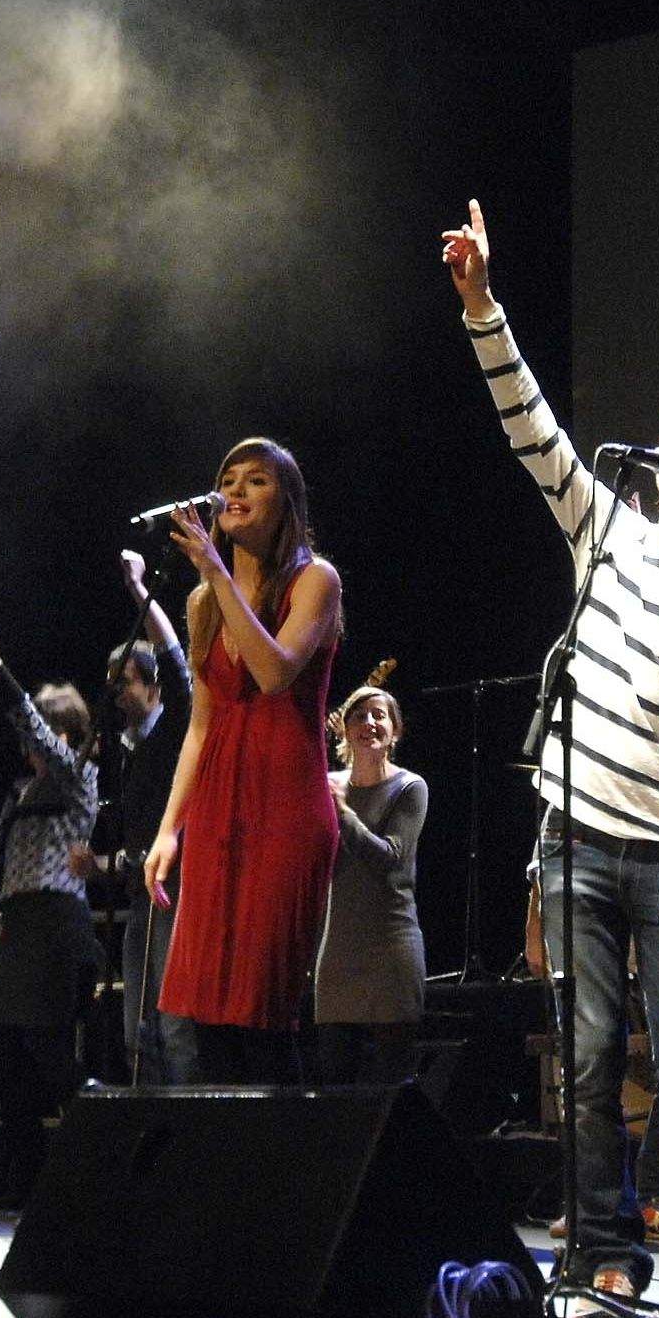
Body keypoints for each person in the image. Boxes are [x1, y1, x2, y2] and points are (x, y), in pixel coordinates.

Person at [443, 198, 659, 1318]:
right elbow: (528, 425)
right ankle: (600, 1253)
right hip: (573, 835)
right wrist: (484, 305)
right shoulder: (609, 530)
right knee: (586, 1061)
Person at [144, 440, 343, 1084]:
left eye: (255, 481)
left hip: (285, 807)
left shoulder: (315, 581)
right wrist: (169, 828)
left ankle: (283, 1171)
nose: (234, 491)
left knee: (263, 1010)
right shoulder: (206, 603)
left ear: (284, 501)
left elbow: (273, 672)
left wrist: (214, 571)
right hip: (219, 810)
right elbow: (201, 726)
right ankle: (223, 1175)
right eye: (227, 479)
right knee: (208, 1018)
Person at [0, 612, 101, 1206]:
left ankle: (97, 1139)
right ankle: (27, 1180)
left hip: (56, 925)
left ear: (63, 734)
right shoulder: (22, 793)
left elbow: (41, 735)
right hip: (20, 926)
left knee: (45, 1053)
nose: (31, 748)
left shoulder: (80, 778)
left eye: (41, 735)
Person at [95, 550, 196, 1084]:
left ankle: (187, 1137)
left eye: (125, 682)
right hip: (142, 895)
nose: (115, 693)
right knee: (138, 1030)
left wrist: (139, 591)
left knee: (175, 1026)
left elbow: (177, 661)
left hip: (176, 887)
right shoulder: (125, 750)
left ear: (152, 688)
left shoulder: (176, 727)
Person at [310, 683, 429, 1086]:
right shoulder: (327, 785)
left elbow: (388, 859)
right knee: (335, 1083)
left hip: (391, 950)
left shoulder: (410, 788)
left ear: (396, 731)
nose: (369, 722)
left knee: (391, 1087)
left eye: (379, 715)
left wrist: (342, 812)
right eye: (359, 715)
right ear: (344, 729)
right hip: (339, 952)